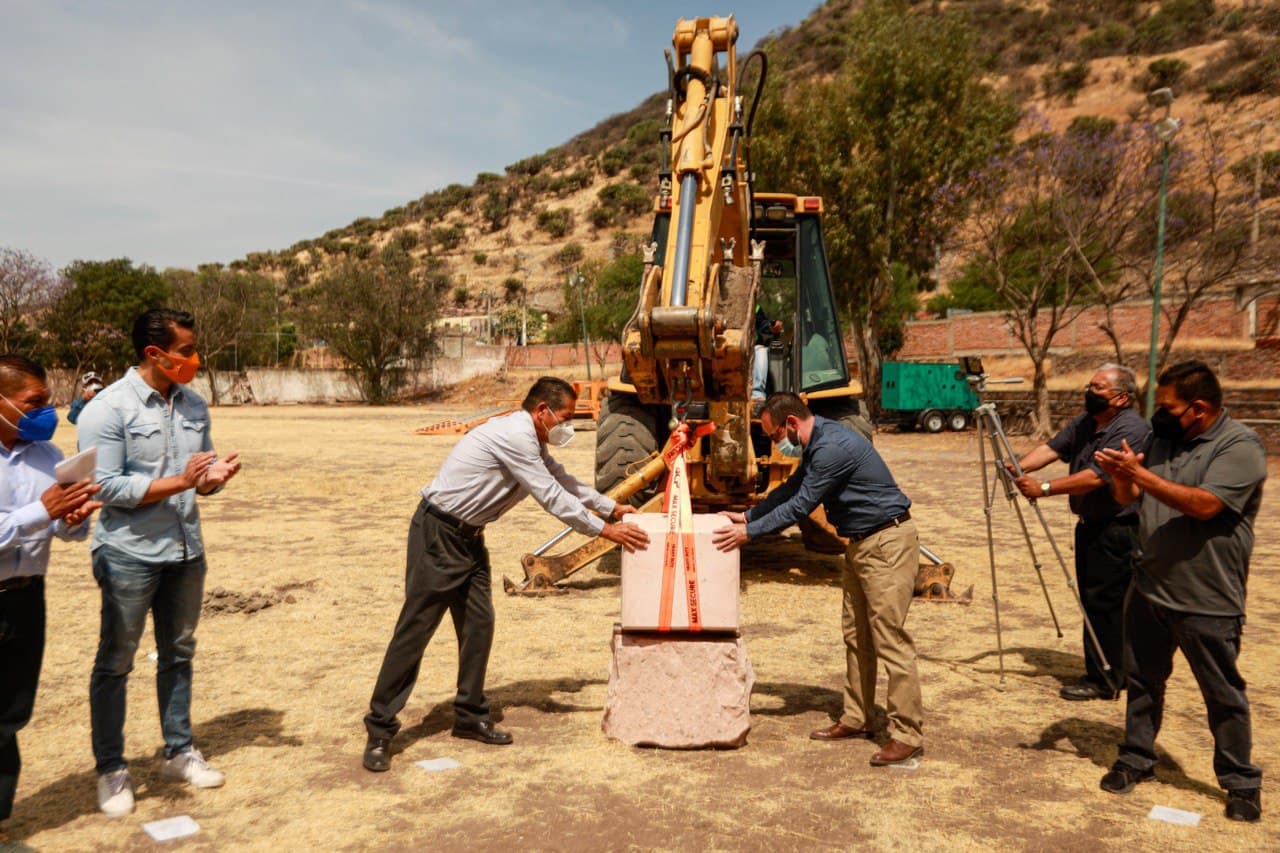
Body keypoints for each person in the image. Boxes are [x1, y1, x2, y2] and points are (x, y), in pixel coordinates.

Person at [362, 377, 650, 772]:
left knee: (479, 625)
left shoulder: (533, 439)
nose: (568, 425)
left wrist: (611, 507)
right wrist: (605, 530)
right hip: (439, 535)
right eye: (564, 417)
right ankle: (380, 730)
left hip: (468, 538)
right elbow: (549, 496)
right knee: (415, 631)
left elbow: (562, 480)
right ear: (542, 412)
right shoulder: (516, 436)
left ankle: (469, 715)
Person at [76, 309, 241, 818]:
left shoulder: (194, 403)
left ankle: (179, 751)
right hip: (128, 553)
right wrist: (183, 482)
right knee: (116, 662)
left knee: (179, 653)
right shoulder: (106, 409)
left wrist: (214, 477)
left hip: (185, 549)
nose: (195, 359)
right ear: (155, 354)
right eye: (187, 351)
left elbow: (200, 471)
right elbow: (103, 487)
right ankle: (112, 769)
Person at [712, 392, 924, 766]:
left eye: (775, 436)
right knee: (857, 636)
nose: (776, 444)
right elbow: (793, 489)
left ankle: (907, 734)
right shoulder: (817, 441)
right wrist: (748, 516)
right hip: (861, 544)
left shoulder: (831, 448)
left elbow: (801, 506)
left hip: (886, 543)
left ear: (791, 423)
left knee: (889, 638)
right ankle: (858, 718)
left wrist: (751, 534)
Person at [1094, 360, 1265, 822]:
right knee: (1144, 682)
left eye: (1167, 407)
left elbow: (1206, 505)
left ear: (1199, 408)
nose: (1159, 415)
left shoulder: (1240, 446)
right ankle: (1136, 758)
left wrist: (1141, 474)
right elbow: (1128, 499)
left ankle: (1240, 782)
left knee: (1222, 694)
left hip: (1207, 596)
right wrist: (1124, 477)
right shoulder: (1162, 440)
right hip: (1150, 587)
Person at [0, 355, 101, 835]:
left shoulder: (47, 456)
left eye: (48, 400)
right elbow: (33, 518)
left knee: (10, 716)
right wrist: (39, 512)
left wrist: (70, 519)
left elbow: (59, 530)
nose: (47, 411)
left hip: (26, 598)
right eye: (33, 403)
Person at [1010, 364, 1151, 701]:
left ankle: (1104, 679)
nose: (1089, 391)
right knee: (1096, 600)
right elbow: (1053, 448)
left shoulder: (1131, 429)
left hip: (1118, 527)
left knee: (1106, 603)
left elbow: (1095, 476)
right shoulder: (1088, 422)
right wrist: (1017, 465)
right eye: (1090, 384)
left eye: (1098, 387)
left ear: (1121, 398)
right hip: (1091, 527)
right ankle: (1115, 671)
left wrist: (1043, 488)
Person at [751, 304, 783, 402]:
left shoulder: (754, 306)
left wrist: (772, 328)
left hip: (751, 348)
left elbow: (762, 324)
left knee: (761, 350)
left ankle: (756, 395)